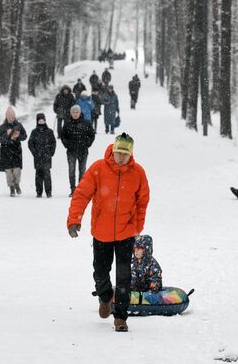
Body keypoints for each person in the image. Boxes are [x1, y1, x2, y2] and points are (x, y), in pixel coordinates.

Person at [67, 133, 150, 332]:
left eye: (125, 154)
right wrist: (74, 219)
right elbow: (81, 194)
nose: (121, 157)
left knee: (124, 277)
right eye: (118, 153)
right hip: (101, 233)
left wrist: (137, 227)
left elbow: (142, 202)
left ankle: (121, 317)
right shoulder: (98, 168)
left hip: (125, 233)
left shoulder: (138, 172)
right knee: (100, 272)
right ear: (113, 151)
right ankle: (105, 298)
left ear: (131, 154)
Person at [60, 105, 95, 197]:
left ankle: (80, 189)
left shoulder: (86, 123)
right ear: (71, 113)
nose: (75, 114)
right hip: (71, 151)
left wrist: (87, 144)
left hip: (83, 151)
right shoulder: (67, 123)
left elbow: (92, 135)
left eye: (77, 112)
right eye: (73, 112)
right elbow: (63, 136)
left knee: (82, 170)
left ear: (80, 113)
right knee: (72, 170)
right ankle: (73, 189)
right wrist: (67, 145)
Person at [0, 107, 28, 196]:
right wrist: (7, 136)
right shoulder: (2, 127)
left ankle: (17, 184)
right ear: (6, 117)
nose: (11, 119)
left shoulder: (19, 125)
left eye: (13, 117)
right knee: (8, 171)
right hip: (6, 151)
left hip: (16, 151)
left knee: (17, 170)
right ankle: (11, 187)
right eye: (9, 117)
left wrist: (18, 136)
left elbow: (25, 136)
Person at [28, 113, 57, 198]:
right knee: (38, 175)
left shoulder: (49, 131)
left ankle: (48, 192)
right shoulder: (34, 132)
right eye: (39, 120)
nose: (41, 121)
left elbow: (53, 142)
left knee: (47, 174)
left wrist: (51, 152)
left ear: (45, 120)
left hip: (47, 156)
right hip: (37, 157)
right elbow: (30, 143)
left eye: (42, 120)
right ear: (37, 121)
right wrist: (34, 153)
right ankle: (39, 192)